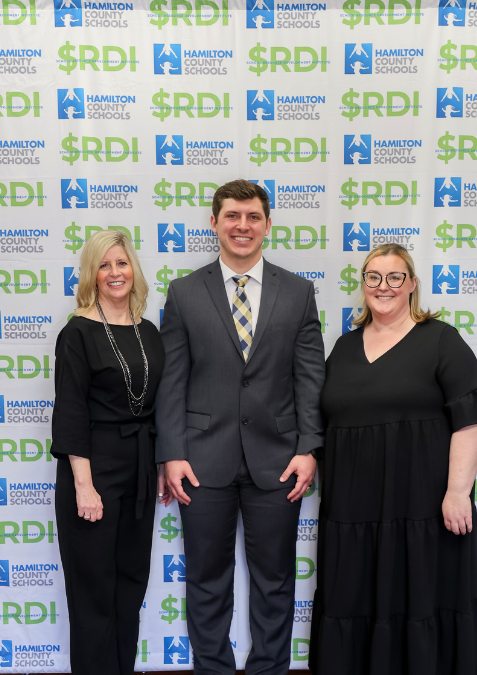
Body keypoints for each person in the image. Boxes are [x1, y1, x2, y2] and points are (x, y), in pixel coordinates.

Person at [309, 243, 477, 675]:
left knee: (424, 599)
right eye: (373, 277)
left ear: (412, 284)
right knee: (352, 599)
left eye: (395, 277)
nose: (383, 286)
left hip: (424, 509)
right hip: (352, 514)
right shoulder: (343, 347)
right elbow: (327, 425)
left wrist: (458, 492)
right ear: (363, 285)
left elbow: (470, 420)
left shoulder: (440, 340)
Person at [155, 179, 325, 675]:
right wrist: (172, 452)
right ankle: (213, 669)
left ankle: (269, 668)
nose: (242, 226)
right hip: (201, 461)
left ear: (268, 225)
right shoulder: (184, 292)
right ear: (214, 223)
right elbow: (172, 382)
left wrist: (309, 447)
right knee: (207, 579)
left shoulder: (298, 292)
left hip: (280, 460)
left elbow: (310, 378)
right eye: (232, 215)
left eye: (253, 217)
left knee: (275, 579)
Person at [52, 230, 166, 675]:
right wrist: (84, 486)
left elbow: (156, 406)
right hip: (93, 470)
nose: (115, 273)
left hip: (139, 468)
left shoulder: (148, 331)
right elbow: (71, 411)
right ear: (91, 274)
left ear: (133, 268)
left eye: (121, 263)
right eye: (104, 265)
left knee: (130, 585)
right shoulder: (77, 333)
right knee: (93, 591)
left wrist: (157, 465)